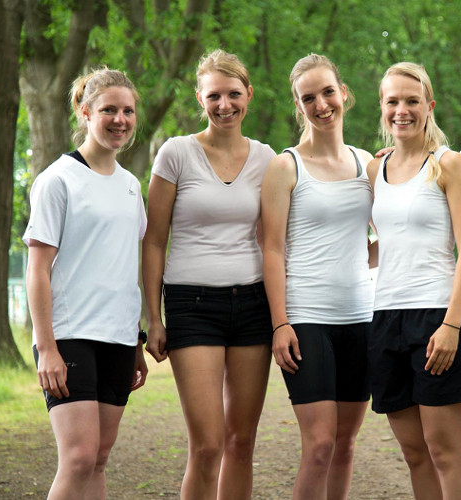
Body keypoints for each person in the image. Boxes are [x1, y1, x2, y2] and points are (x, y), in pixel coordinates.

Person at [142, 49, 276, 500]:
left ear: (248, 95)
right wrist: (154, 318)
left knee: (241, 443)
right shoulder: (176, 153)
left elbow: (284, 231)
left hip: (253, 304)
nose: (225, 105)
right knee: (207, 446)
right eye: (214, 95)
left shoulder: (266, 158)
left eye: (234, 94)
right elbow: (154, 240)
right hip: (192, 305)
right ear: (200, 97)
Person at [24, 68, 148, 499]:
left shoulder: (132, 186)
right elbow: (37, 269)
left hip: (116, 339)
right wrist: (47, 348)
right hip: (69, 336)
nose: (120, 119)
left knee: (98, 459)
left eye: (128, 110)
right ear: (85, 111)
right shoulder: (57, 180)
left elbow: (123, 269)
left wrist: (135, 340)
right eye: (109, 109)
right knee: (77, 458)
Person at [366, 62, 461, 500]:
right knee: (414, 453)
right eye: (393, 101)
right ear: (382, 108)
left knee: (444, 450)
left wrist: (452, 325)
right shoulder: (376, 170)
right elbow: (385, 244)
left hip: (437, 316)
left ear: (428, 106)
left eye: (412, 101)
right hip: (385, 317)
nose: (402, 110)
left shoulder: (448, 164)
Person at [260, 53, 374, 500]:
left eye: (328, 92)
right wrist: (280, 322)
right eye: (309, 98)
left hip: (361, 318)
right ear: (298, 105)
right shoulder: (285, 167)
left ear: (343, 92)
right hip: (306, 319)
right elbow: (272, 249)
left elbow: (385, 238)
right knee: (321, 445)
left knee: (345, 445)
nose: (321, 104)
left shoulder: (367, 164)